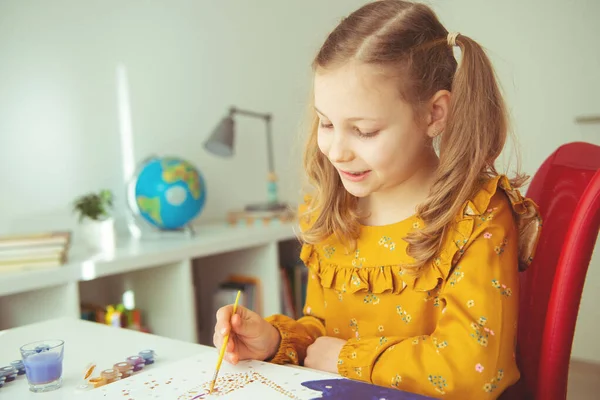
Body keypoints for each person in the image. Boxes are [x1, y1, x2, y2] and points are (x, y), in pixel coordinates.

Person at [213, 1, 542, 398]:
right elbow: (324, 332)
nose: (336, 151)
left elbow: (474, 369)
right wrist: (274, 340)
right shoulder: (335, 211)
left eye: (364, 131)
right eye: (327, 123)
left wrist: (344, 359)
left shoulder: (476, 216)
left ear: (435, 114)